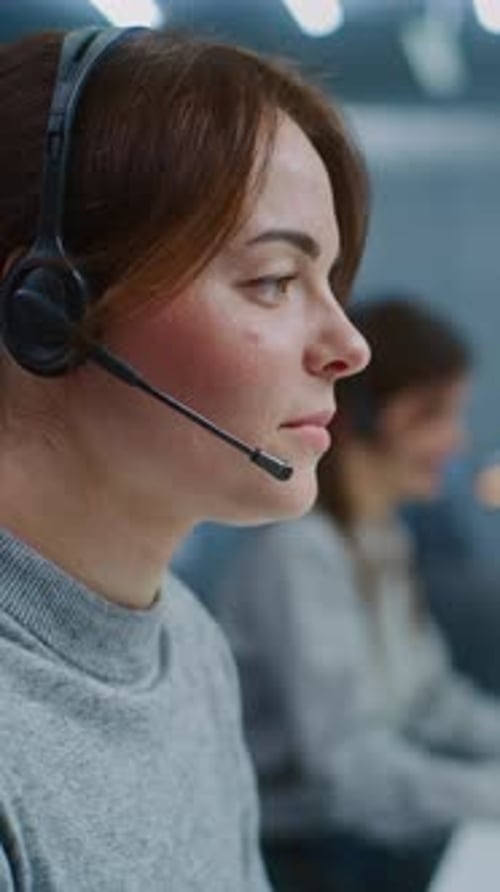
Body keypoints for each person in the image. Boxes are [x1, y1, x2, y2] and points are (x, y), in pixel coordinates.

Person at [0, 24, 371, 892]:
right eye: (275, 280)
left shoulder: (191, 646)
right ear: (43, 310)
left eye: (332, 283)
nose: (349, 343)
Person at [178, 297, 500, 892]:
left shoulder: (381, 537)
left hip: (370, 833)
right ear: (378, 416)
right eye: (438, 416)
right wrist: (490, 793)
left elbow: (429, 699)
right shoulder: (299, 556)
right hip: (313, 854)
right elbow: (349, 774)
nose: (457, 443)